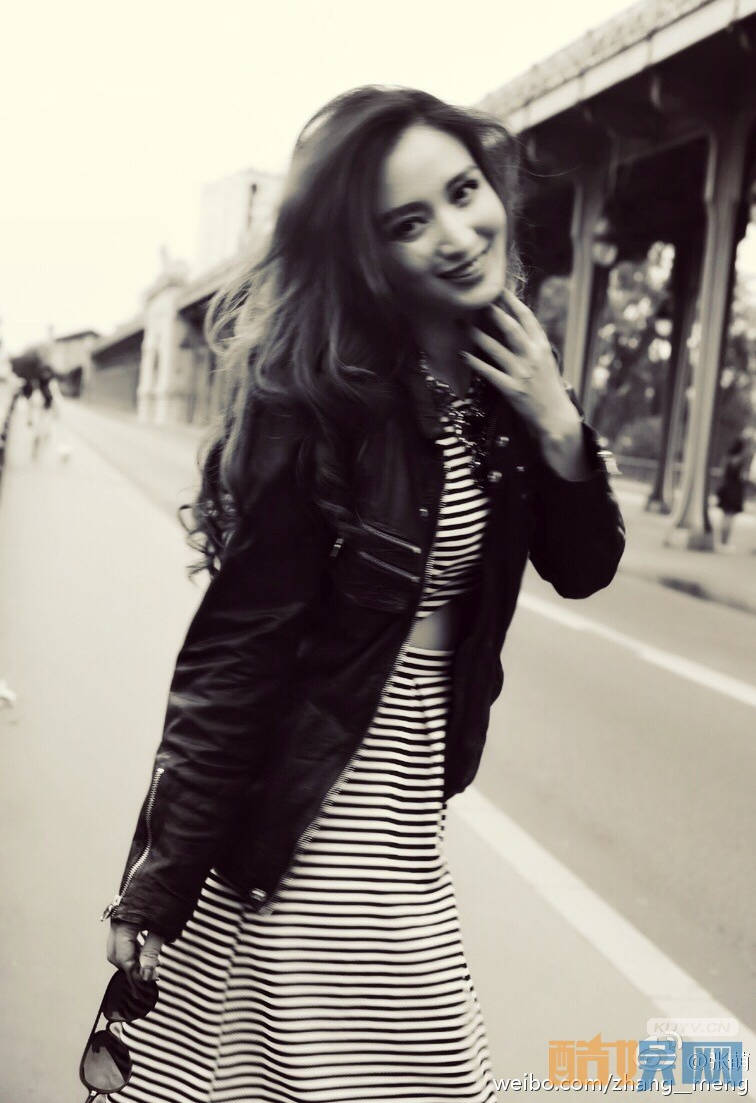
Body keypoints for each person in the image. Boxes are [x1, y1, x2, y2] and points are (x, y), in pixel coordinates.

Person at [100, 86, 625, 1103]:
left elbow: (584, 563)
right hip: (317, 804)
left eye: (464, 193)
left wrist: (557, 419)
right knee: (418, 1067)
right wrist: (159, 878)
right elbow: (238, 651)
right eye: (408, 223)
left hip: (408, 807)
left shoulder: (505, 385)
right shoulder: (323, 400)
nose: (458, 235)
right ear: (366, 252)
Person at [716, 436, 750, 550]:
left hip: (726, 488)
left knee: (724, 516)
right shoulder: (741, 460)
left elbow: (721, 473)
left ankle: (721, 540)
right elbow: (742, 476)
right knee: (730, 517)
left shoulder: (727, 458)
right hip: (735, 490)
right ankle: (725, 542)